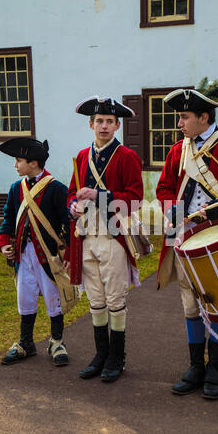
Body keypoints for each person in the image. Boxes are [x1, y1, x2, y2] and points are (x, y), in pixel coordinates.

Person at [156, 78, 218, 399]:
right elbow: (164, 189)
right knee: (189, 304)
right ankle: (195, 367)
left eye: (184, 116)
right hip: (185, 239)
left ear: (204, 117)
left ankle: (215, 368)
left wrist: (215, 213)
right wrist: (171, 210)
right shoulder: (177, 151)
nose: (179, 123)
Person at [68, 96, 143, 382]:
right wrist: (72, 207)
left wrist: (98, 195)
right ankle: (100, 355)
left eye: (109, 122)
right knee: (96, 300)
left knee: (114, 300)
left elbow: (135, 199)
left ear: (117, 125)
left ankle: (117, 357)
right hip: (86, 235)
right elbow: (72, 192)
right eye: (99, 121)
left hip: (113, 236)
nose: (104, 126)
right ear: (91, 124)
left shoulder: (126, 157)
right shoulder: (80, 157)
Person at [0, 138, 70, 366]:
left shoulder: (57, 189)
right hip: (23, 256)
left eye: (19, 160)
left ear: (34, 163)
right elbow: (8, 219)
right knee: (25, 298)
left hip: (47, 256)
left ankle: (57, 342)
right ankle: (26, 343)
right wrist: (4, 243)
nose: (15, 165)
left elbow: (69, 224)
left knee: (53, 298)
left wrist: (67, 253)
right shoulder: (15, 189)